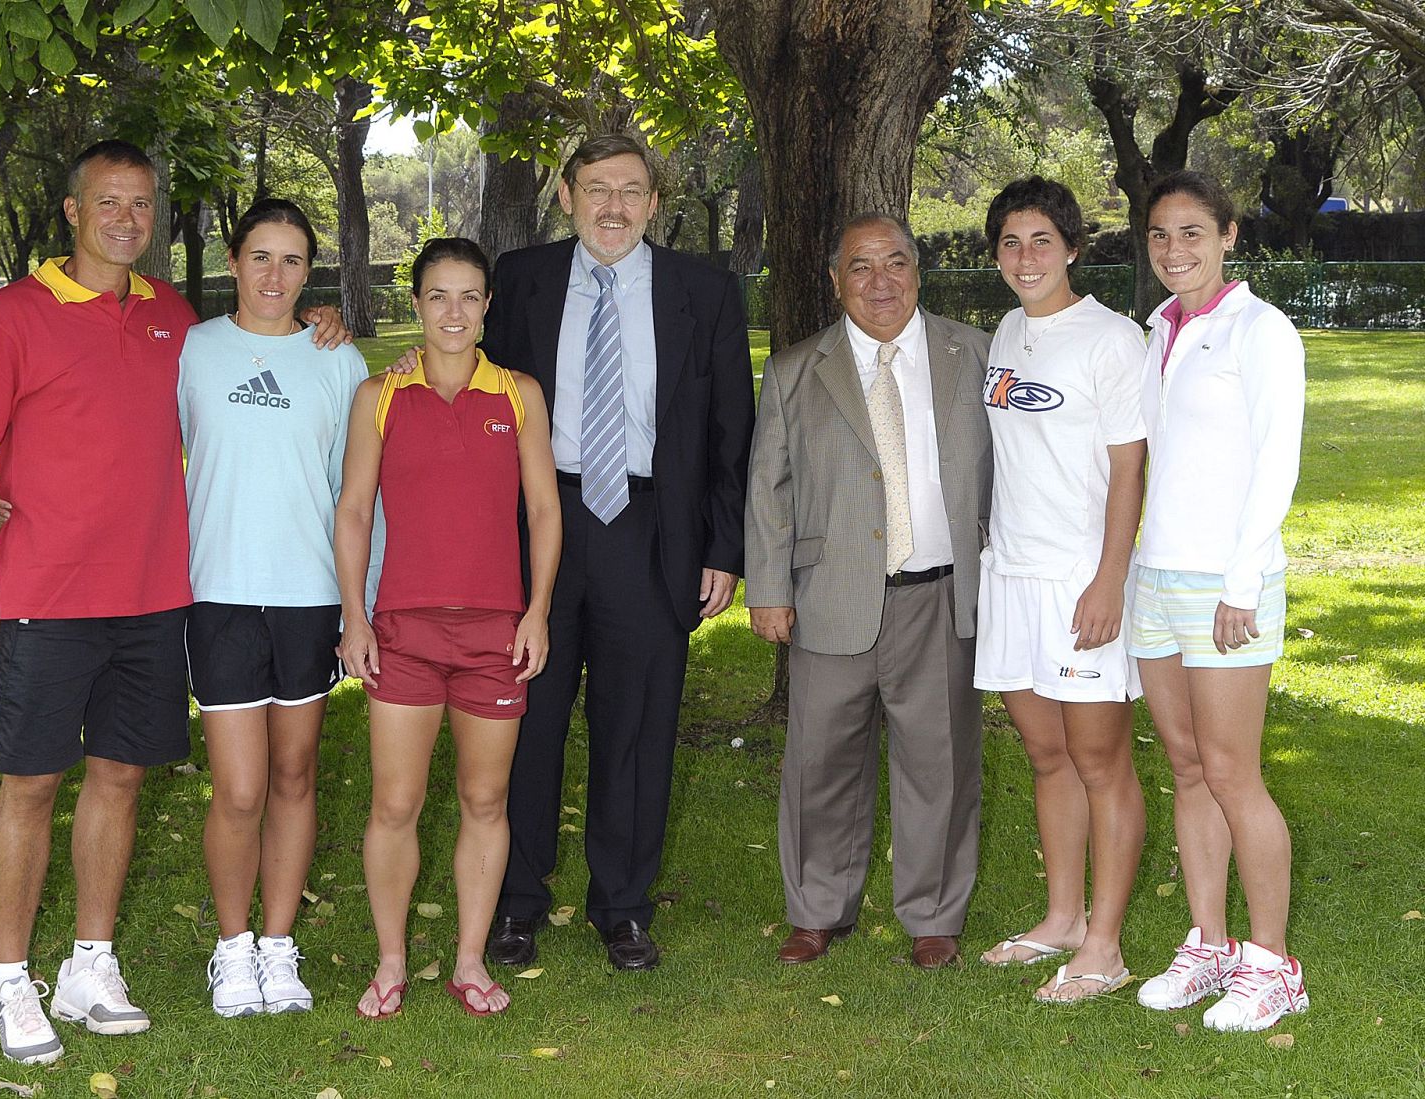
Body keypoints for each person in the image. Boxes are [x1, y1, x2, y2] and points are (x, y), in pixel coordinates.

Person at [0, 140, 347, 1064]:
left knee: (120, 778)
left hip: (157, 596)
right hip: (47, 595)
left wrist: (320, 318)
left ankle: (92, 962)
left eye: (142, 203)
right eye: (109, 202)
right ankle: (15, 979)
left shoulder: (173, 318)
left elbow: (262, 350)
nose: (128, 218)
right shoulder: (12, 316)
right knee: (32, 782)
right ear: (74, 213)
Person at [473, 134, 754, 972]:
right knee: (528, 716)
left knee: (637, 722)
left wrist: (722, 545)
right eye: (597, 189)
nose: (614, 207)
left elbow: (730, 429)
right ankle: (516, 901)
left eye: (632, 190)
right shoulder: (518, 280)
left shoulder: (702, 292)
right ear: (566, 196)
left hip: (650, 528)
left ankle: (622, 905)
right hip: (539, 523)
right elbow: (454, 356)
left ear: (654, 203)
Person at [745, 212, 992, 970]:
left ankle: (933, 914)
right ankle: (817, 909)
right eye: (861, 266)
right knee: (819, 760)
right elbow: (768, 489)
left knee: (939, 761)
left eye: (895, 263)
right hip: (830, 595)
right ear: (834, 278)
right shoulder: (795, 369)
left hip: (941, 594)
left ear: (918, 270)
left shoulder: (975, 354)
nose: (880, 281)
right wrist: (768, 588)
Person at [335, 238, 561, 1018]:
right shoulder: (380, 394)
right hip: (402, 629)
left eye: (469, 296)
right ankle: (392, 961)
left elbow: (543, 510)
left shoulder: (520, 393)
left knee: (484, 799)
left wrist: (536, 611)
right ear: (417, 303)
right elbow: (355, 511)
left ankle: (469, 960)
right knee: (395, 803)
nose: (454, 312)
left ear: (488, 304)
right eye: (438, 296)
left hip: (496, 634)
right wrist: (354, 617)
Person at [175, 198, 372, 1018]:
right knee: (242, 787)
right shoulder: (192, 350)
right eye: (261, 256)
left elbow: (355, 494)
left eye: (293, 261)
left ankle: (278, 947)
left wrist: (358, 606)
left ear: (310, 271)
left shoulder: (338, 359)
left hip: (308, 594)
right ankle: (232, 948)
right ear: (232, 257)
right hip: (219, 591)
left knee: (295, 773)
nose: (275, 275)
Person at [1129, 170, 1308, 1031]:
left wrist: (1242, 582)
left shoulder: (1260, 331)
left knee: (1234, 771)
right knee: (1189, 767)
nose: (1175, 250)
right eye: (1161, 235)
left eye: (1193, 232)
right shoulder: (1156, 327)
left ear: (1229, 235)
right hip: (1156, 582)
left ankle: (1273, 965)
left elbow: (1275, 462)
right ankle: (1210, 944)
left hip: (1227, 586)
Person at [970, 178, 1148, 1003]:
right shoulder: (1006, 329)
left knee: (1100, 761)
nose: (1025, 256)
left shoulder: (1112, 340)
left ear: (1073, 248)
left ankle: (1105, 946)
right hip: (1010, 576)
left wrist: (1108, 579)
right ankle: (1062, 918)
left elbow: (1128, 468)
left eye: (1041, 240)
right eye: (1010, 241)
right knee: (1047, 756)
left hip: (1083, 582)